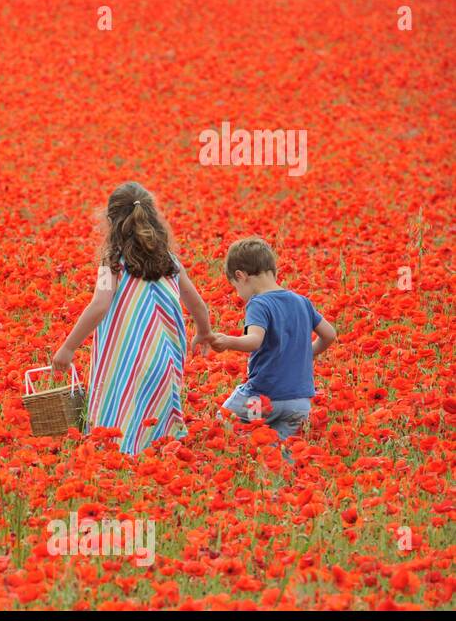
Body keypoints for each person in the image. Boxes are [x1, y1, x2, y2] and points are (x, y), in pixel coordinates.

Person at [51, 182, 213, 455]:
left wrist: (68, 347)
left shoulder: (111, 262)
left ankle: (121, 463)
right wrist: (204, 332)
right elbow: (196, 302)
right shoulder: (170, 261)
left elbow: (99, 305)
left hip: (124, 360)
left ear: (112, 221)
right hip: (165, 357)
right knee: (156, 422)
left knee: (122, 416)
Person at [210, 236, 336, 445]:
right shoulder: (301, 301)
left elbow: (254, 341)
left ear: (241, 276)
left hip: (261, 400)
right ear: (274, 272)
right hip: (298, 405)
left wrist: (227, 341)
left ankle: (243, 454)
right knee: (281, 455)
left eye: (235, 287)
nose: (239, 295)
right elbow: (329, 335)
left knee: (224, 419)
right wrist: (304, 354)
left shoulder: (259, 303)